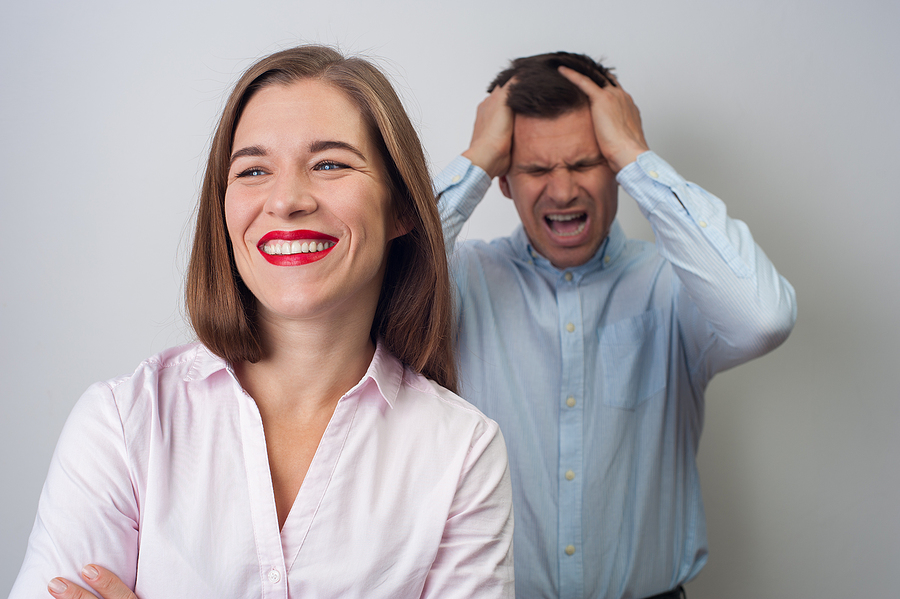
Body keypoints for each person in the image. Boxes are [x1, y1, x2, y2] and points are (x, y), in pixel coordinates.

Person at [10, 45, 514, 599]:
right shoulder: (121, 425)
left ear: (401, 209)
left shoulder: (463, 453)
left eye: (329, 164)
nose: (286, 200)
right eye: (253, 169)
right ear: (223, 208)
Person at [433, 52, 797, 599]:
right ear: (503, 183)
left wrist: (635, 153)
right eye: (535, 169)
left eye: (585, 163)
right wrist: (478, 158)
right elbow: (368, 286)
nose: (562, 192)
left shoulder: (674, 285)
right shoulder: (460, 281)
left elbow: (764, 319)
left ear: (617, 170)